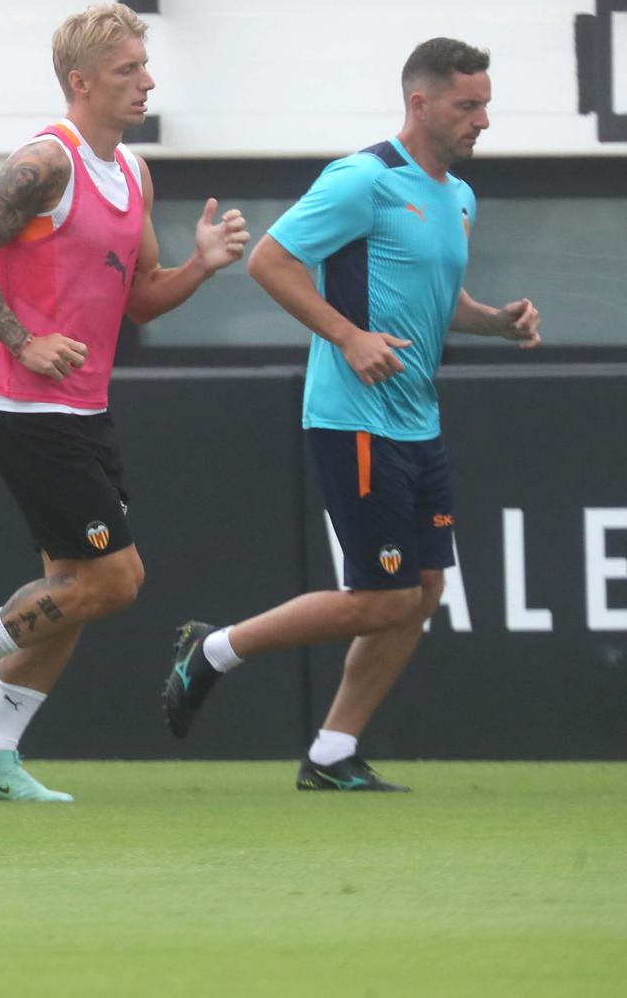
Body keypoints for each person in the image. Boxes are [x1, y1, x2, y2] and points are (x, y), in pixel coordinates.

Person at [163, 38, 541, 792]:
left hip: (417, 421)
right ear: (420, 102)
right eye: (468, 105)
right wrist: (348, 336)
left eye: (487, 104)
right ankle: (213, 650)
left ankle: (333, 752)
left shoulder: (459, 198)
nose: (483, 120)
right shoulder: (362, 179)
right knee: (381, 596)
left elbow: (438, 299)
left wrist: (497, 320)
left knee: (423, 593)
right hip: (353, 417)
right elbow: (271, 259)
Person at [0, 3, 250, 802]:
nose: (148, 81)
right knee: (116, 579)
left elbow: (140, 301)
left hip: (83, 410)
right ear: (81, 81)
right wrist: (23, 339)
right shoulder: (46, 162)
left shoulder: (133, 172)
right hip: (27, 410)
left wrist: (199, 266)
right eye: (129, 69)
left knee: (69, 590)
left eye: (144, 65)